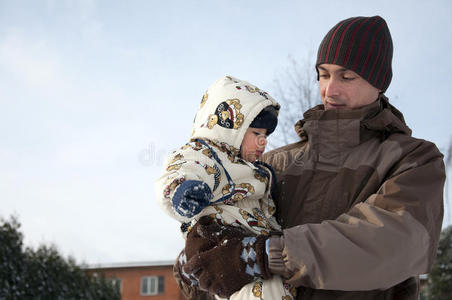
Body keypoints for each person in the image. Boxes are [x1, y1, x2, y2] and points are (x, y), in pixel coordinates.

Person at [176, 16, 446, 300]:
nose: (330, 90)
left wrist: (268, 255)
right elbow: (233, 222)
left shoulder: (412, 158)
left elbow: (394, 241)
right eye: (324, 74)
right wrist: (196, 264)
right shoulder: (276, 163)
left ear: (379, 82)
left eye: (347, 76)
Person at [155, 75, 296, 299]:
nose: (264, 142)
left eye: (266, 135)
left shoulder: (256, 171)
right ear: (232, 129)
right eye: (256, 133)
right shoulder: (204, 154)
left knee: (277, 288)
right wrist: (182, 191)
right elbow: (180, 169)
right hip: (217, 239)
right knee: (265, 292)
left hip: (251, 244)